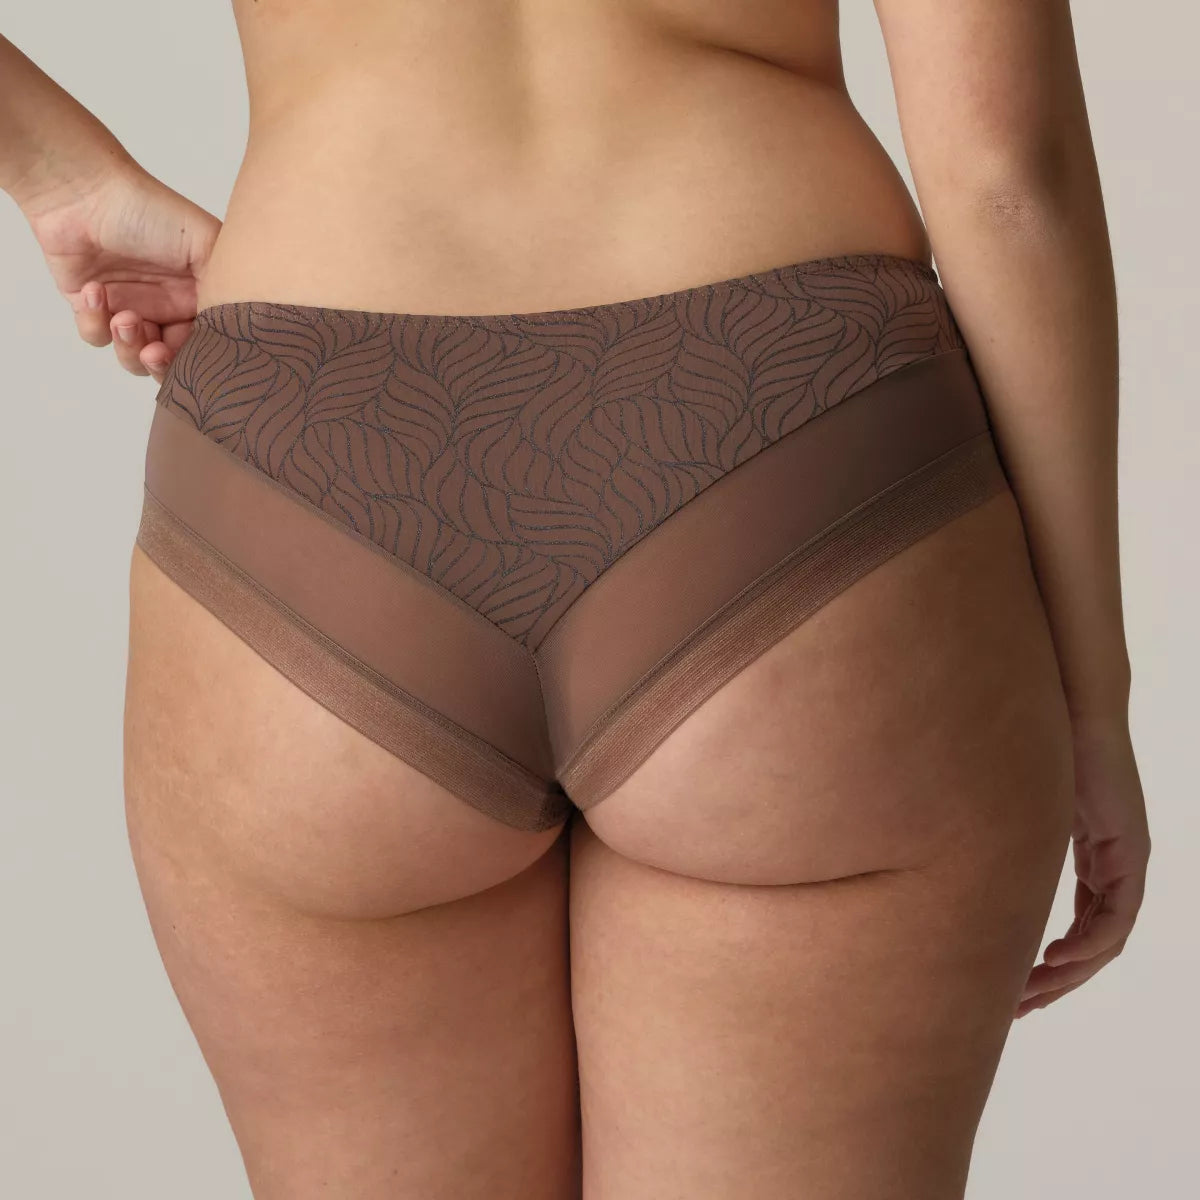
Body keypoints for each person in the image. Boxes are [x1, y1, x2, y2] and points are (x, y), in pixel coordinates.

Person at [1, 3, 1150, 1197]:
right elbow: (1006, 178)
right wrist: (1092, 699)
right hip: (791, 436)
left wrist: (61, 176)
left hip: (312, 471)